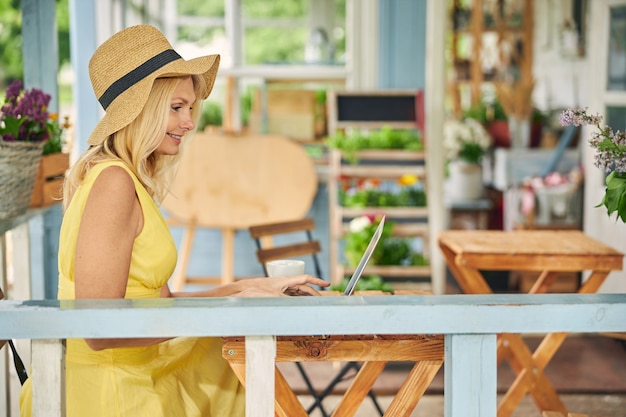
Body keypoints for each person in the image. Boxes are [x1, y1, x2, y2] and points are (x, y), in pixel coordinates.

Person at [19, 24, 328, 417]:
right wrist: (231, 307)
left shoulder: (126, 179)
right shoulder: (113, 183)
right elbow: (96, 329)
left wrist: (254, 287)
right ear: (141, 109)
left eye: (190, 108)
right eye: (177, 107)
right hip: (109, 395)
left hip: (138, 375)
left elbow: (159, 304)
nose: (189, 122)